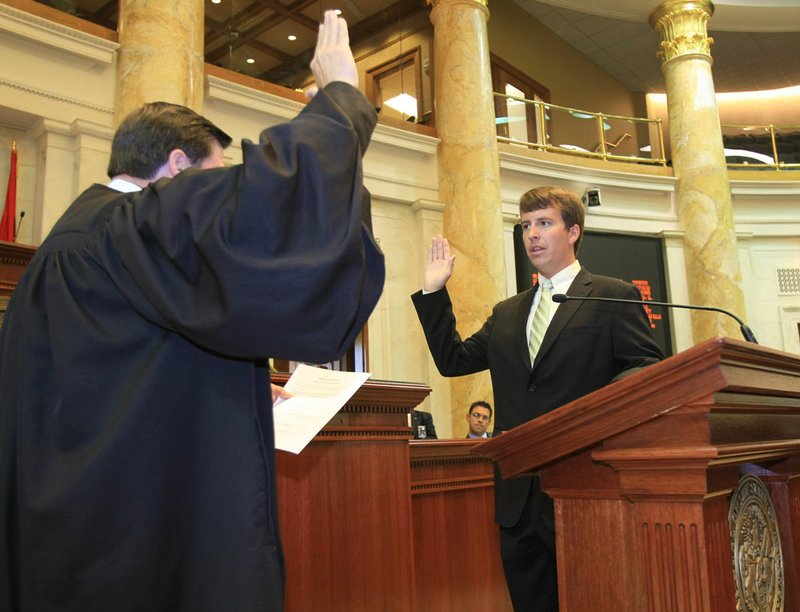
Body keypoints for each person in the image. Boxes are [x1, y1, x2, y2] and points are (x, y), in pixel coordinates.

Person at [0, 11, 384, 612]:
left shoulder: (83, 238)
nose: (217, 194)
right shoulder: (126, 227)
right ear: (177, 169)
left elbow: (136, 368)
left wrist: (236, 382)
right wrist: (339, 102)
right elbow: (266, 210)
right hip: (134, 534)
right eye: (213, 177)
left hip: (82, 522)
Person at [411, 185, 663, 611]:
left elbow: (644, 368)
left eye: (544, 223)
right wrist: (435, 293)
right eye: (526, 225)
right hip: (518, 499)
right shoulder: (507, 312)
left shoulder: (611, 294)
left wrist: (588, 418)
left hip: (584, 487)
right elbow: (453, 361)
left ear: (573, 232)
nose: (532, 234)